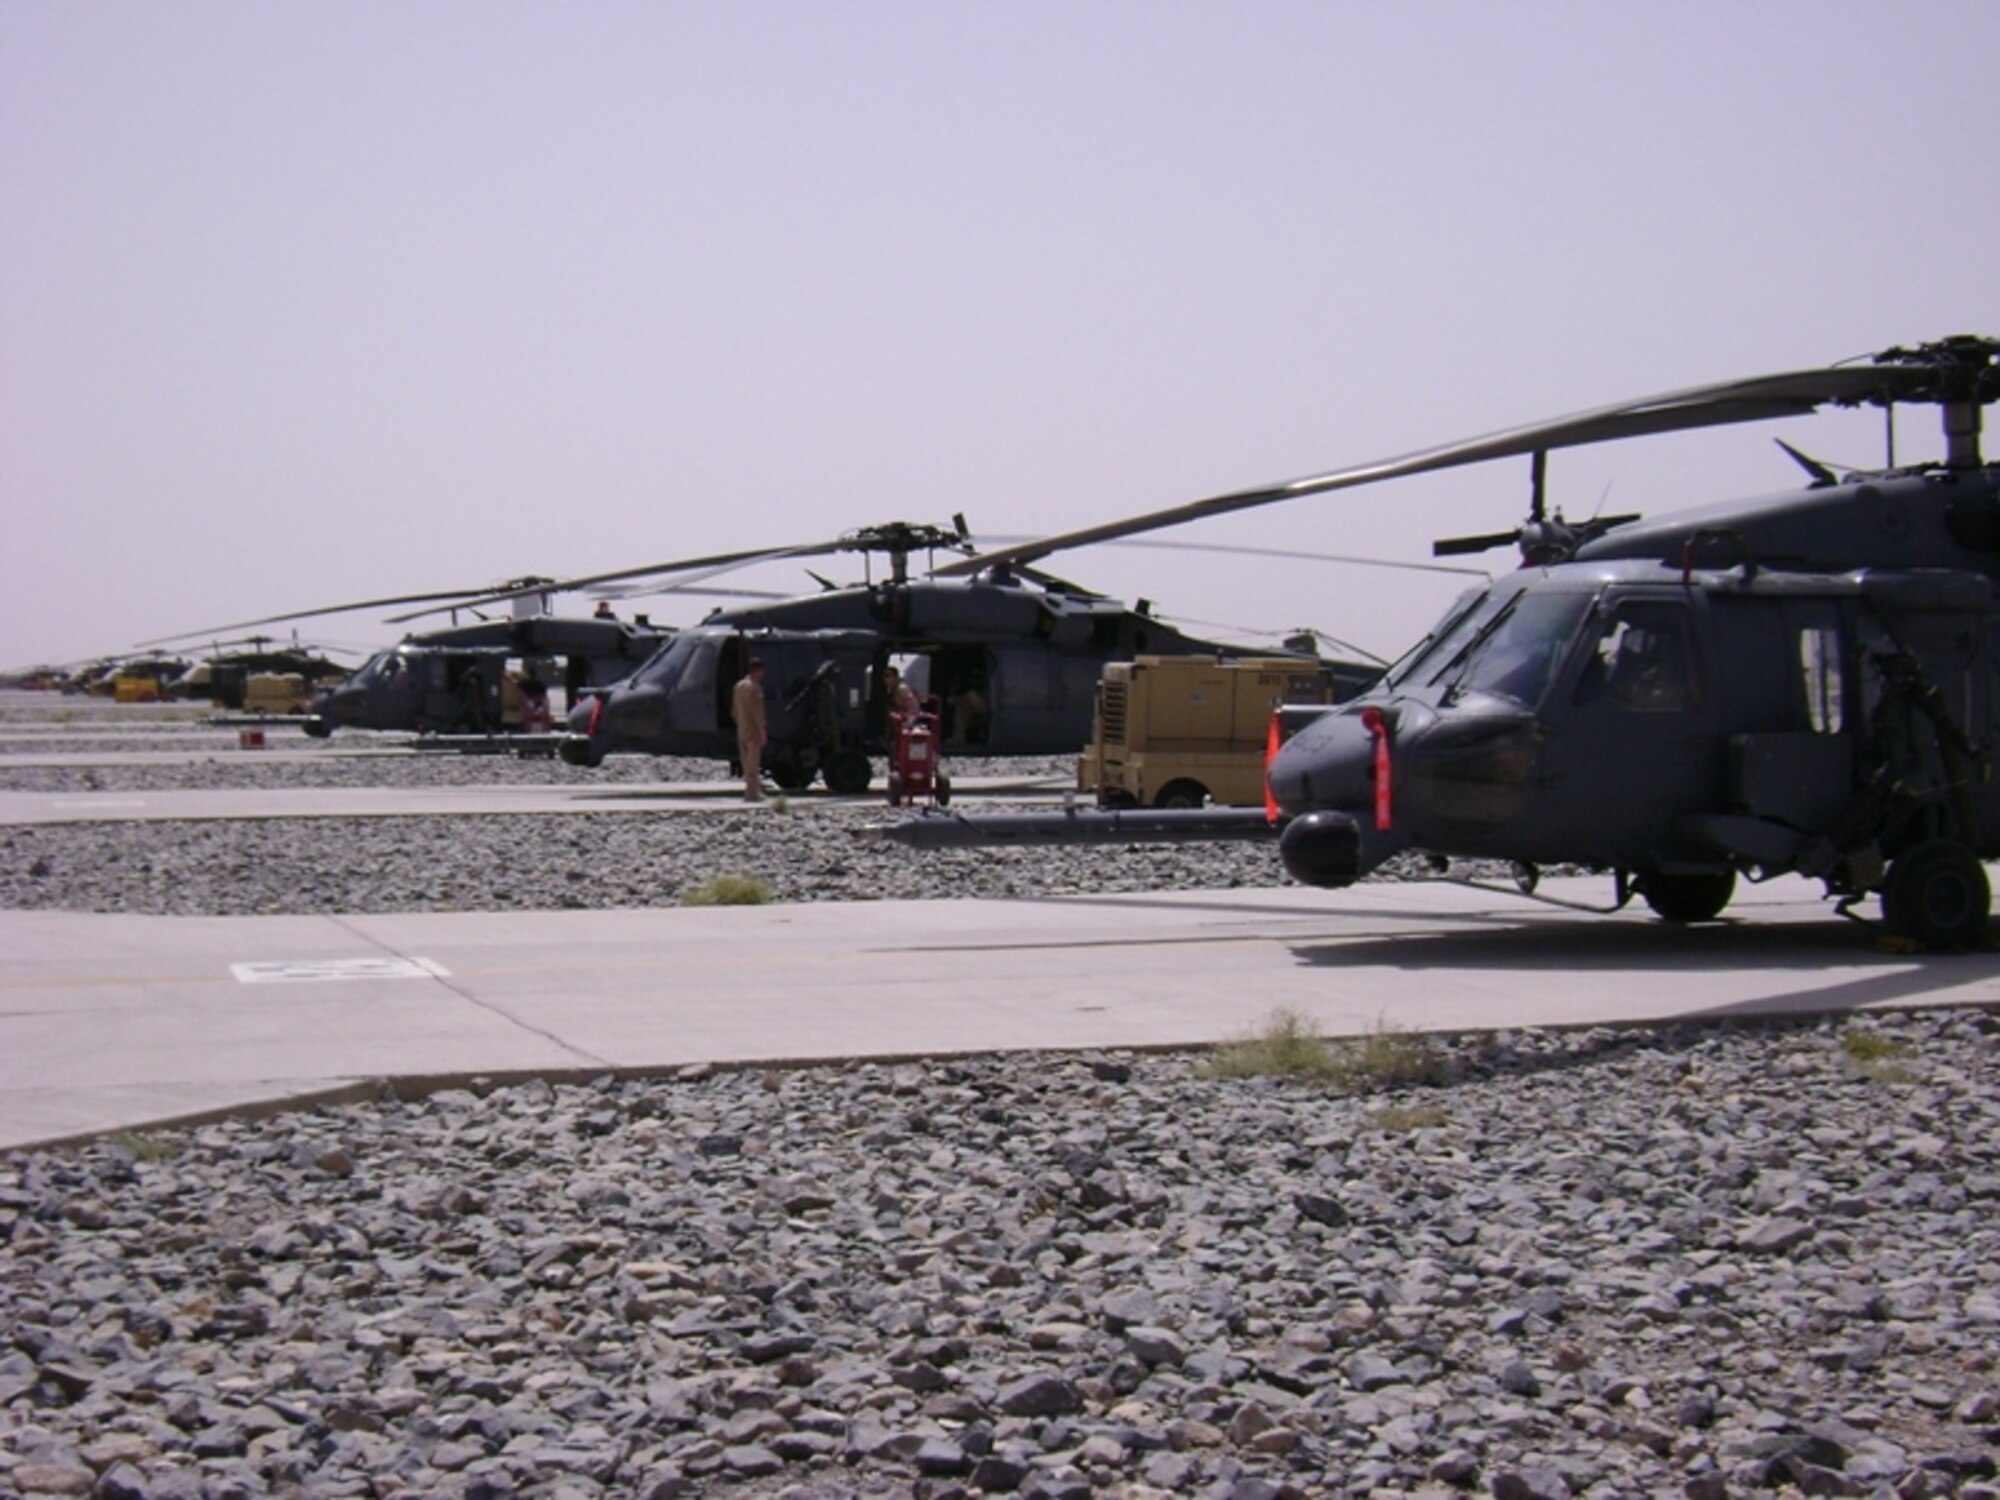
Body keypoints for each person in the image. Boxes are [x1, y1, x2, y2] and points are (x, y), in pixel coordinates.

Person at [733, 657, 768, 801]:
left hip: (741, 728)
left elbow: (734, 711)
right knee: (753, 763)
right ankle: (752, 793)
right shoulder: (755, 688)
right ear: (758, 671)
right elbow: (757, 712)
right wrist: (762, 730)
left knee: (746, 763)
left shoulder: (739, 686)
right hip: (752, 729)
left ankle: (752, 790)